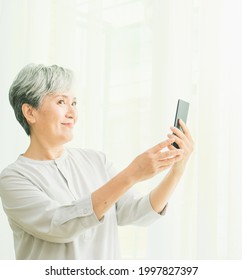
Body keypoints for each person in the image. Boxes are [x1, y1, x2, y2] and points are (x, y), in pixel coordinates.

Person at [0, 63, 194, 260]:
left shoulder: (97, 161)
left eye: (74, 103)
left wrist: (177, 169)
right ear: (30, 112)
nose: (72, 113)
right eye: (61, 102)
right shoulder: (13, 178)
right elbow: (60, 225)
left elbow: (139, 212)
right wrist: (132, 173)